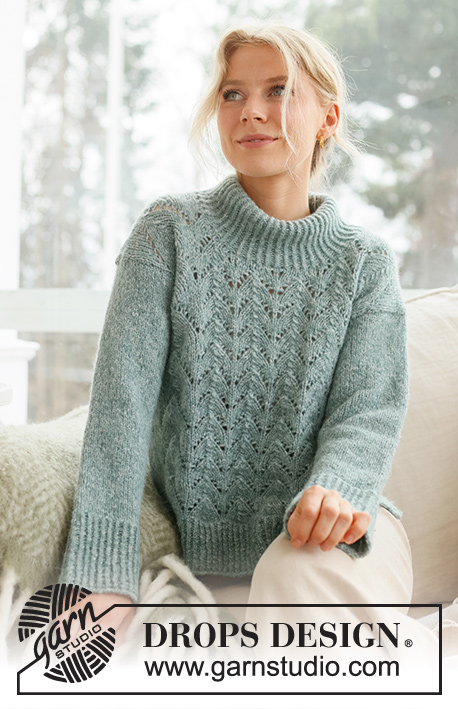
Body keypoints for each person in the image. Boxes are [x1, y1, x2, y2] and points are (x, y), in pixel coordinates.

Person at [60, 23, 416, 644]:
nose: (251, 110)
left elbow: (369, 411)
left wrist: (336, 489)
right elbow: (120, 412)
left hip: (335, 538)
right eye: (232, 94)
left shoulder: (365, 263)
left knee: (295, 573)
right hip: (197, 552)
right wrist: (99, 574)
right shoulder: (168, 234)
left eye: (279, 90)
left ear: (328, 119)